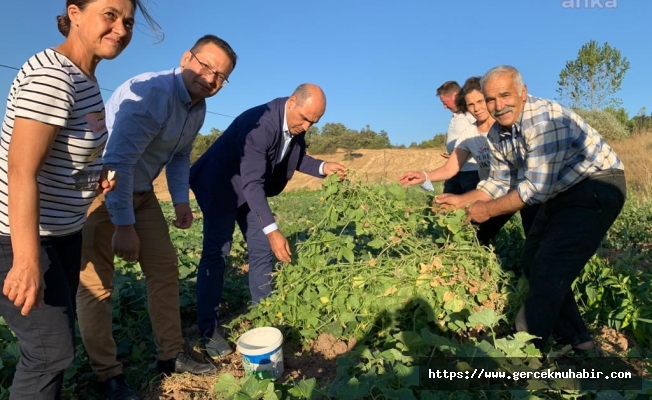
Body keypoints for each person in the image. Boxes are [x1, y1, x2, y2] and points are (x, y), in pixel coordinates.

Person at [0, 1, 158, 398]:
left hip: (63, 234)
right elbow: (21, 170)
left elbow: (62, 155)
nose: (120, 30)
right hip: (20, 238)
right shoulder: (54, 75)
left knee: (52, 348)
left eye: (128, 22)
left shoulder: (84, 80)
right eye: (110, 15)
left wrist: (93, 175)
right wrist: (26, 260)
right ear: (74, 13)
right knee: (49, 352)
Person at [76, 34, 237, 399]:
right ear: (186, 58)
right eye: (205, 65)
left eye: (220, 76)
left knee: (164, 268)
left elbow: (179, 155)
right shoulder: (153, 94)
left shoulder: (196, 107)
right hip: (101, 192)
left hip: (142, 192)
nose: (210, 78)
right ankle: (108, 376)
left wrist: (181, 200)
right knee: (97, 286)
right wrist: (124, 225)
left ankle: (170, 355)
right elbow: (117, 162)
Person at [436, 66, 626, 352]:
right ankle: (579, 340)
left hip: (596, 184)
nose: (498, 106)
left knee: (549, 265)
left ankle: (523, 348)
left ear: (522, 93)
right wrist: (461, 202)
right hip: (560, 192)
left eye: (505, 95)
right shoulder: (498, 136)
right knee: (533, 260)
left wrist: (486, 212)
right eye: (491, 99)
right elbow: (500, 182)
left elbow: (533, 189)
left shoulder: (542, 120)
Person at [189, 84, 347, 359]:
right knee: (218, 254)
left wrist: (323, 167)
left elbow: (294, 158)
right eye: (306, 118)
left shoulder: (294, 126)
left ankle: (262, 313)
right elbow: (252, 182)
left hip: (248, 187)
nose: (308, 126)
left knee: (261, 248)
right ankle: (209, 330)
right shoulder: (261, 123)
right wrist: (274, 230)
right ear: (292, 101)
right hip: (220, 186)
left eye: (315, 122)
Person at [400, 77, 538, 244]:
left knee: (534, 233)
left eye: (480, 101)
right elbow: (450, 168)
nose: (476, 108)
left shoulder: (505, 125)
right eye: (471, 105)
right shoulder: (469, 134)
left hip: (523, 188)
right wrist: (424, 175)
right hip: (493, 192)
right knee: (476, 235)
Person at [436, 81, 479, 195]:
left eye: (445, 102)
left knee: (470, 206)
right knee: (447, 205)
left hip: (471, 172)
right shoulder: (456, 115)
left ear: (455, 96)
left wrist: (461, 152)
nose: (444, 107)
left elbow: (480, 137)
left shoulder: (470, 113)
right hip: (454, 171)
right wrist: (454, 154)